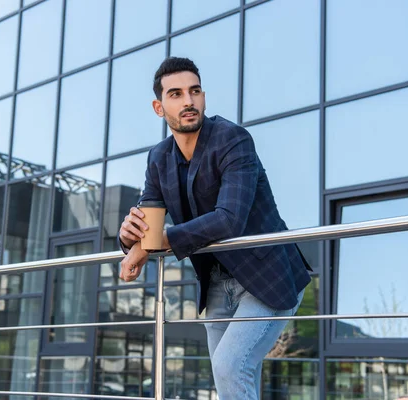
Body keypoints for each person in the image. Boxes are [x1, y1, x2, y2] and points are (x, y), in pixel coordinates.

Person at [118, 57, 312, 400]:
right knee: (231, 379)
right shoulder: (158, 158)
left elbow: (229, 219)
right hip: (216, 284)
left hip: (269, 274)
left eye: (194, 91)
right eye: (175, 94)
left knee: (229, 366)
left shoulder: (233, 140)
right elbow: (150, 219)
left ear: (203, 96)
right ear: (159, 107)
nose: (188, 101)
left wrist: (158, 242)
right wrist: (130, 238)